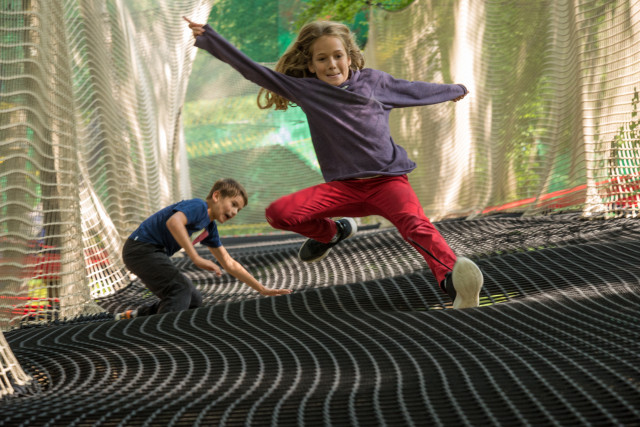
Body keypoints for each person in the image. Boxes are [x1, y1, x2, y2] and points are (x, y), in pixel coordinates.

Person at [184, 18, 483, 309]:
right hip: (344, 190)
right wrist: (210, 38)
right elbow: (254, 72)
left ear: (349, 57)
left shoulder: (374, 82)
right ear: (311, 65)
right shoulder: (307, 90)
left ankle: (454, 283)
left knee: (416, 227)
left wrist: (454, 90)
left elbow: (412, 89)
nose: (332, 64)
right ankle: (332, 233)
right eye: (322, 59)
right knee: (278, 214)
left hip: (388, 183)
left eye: (338, 56)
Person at [115, 178, 291, 320]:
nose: (235, 212)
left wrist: (261, 289)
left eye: (239, 209)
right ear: (217, 196)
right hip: (140, 249)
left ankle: (137, 316)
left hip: (152, 253)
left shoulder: (209, 227)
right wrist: (195, 257)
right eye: (233, 204)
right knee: (180, 289)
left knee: (194, 299)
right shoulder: (199, 207)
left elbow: (229, 263)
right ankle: (161, 335)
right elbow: (174, 222)